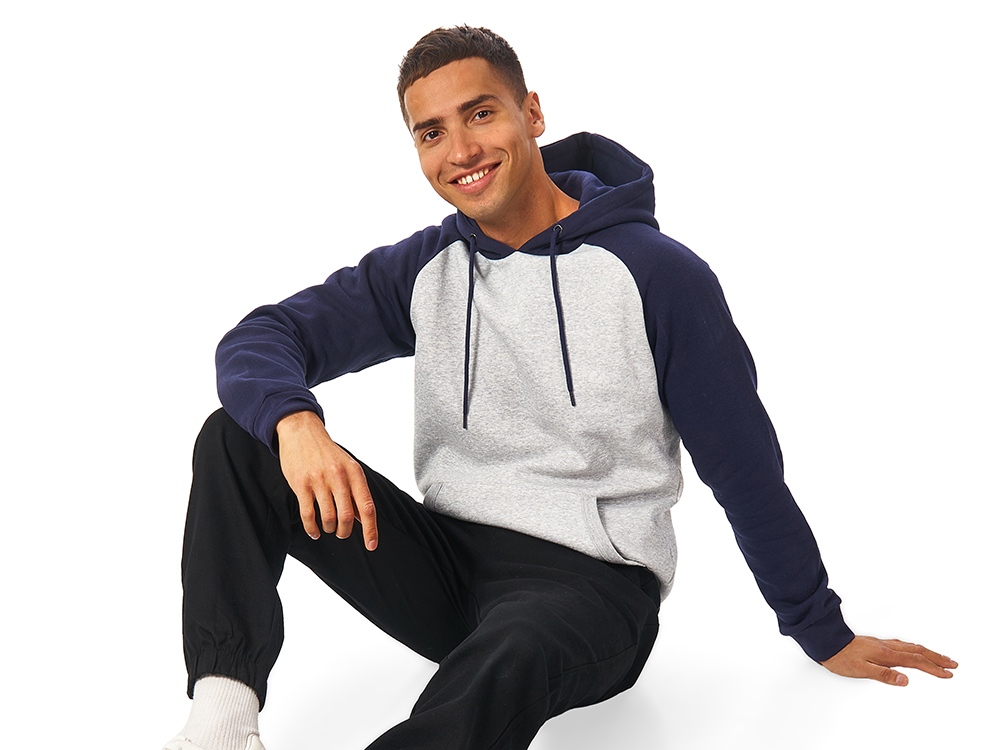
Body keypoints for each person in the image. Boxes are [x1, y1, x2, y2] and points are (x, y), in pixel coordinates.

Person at [163, 25, 957, 750]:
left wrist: (819, 627)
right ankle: (221, 726)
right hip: (446, 568)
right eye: (430, 132)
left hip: (592, 588)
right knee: (237, 439)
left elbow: (745, 469)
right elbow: (261, 337)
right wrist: (296, 423)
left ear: (532, 113)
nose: (460, 150)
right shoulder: (427, 268)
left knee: (511, 653)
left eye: (480, 114)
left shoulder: (658, 275)